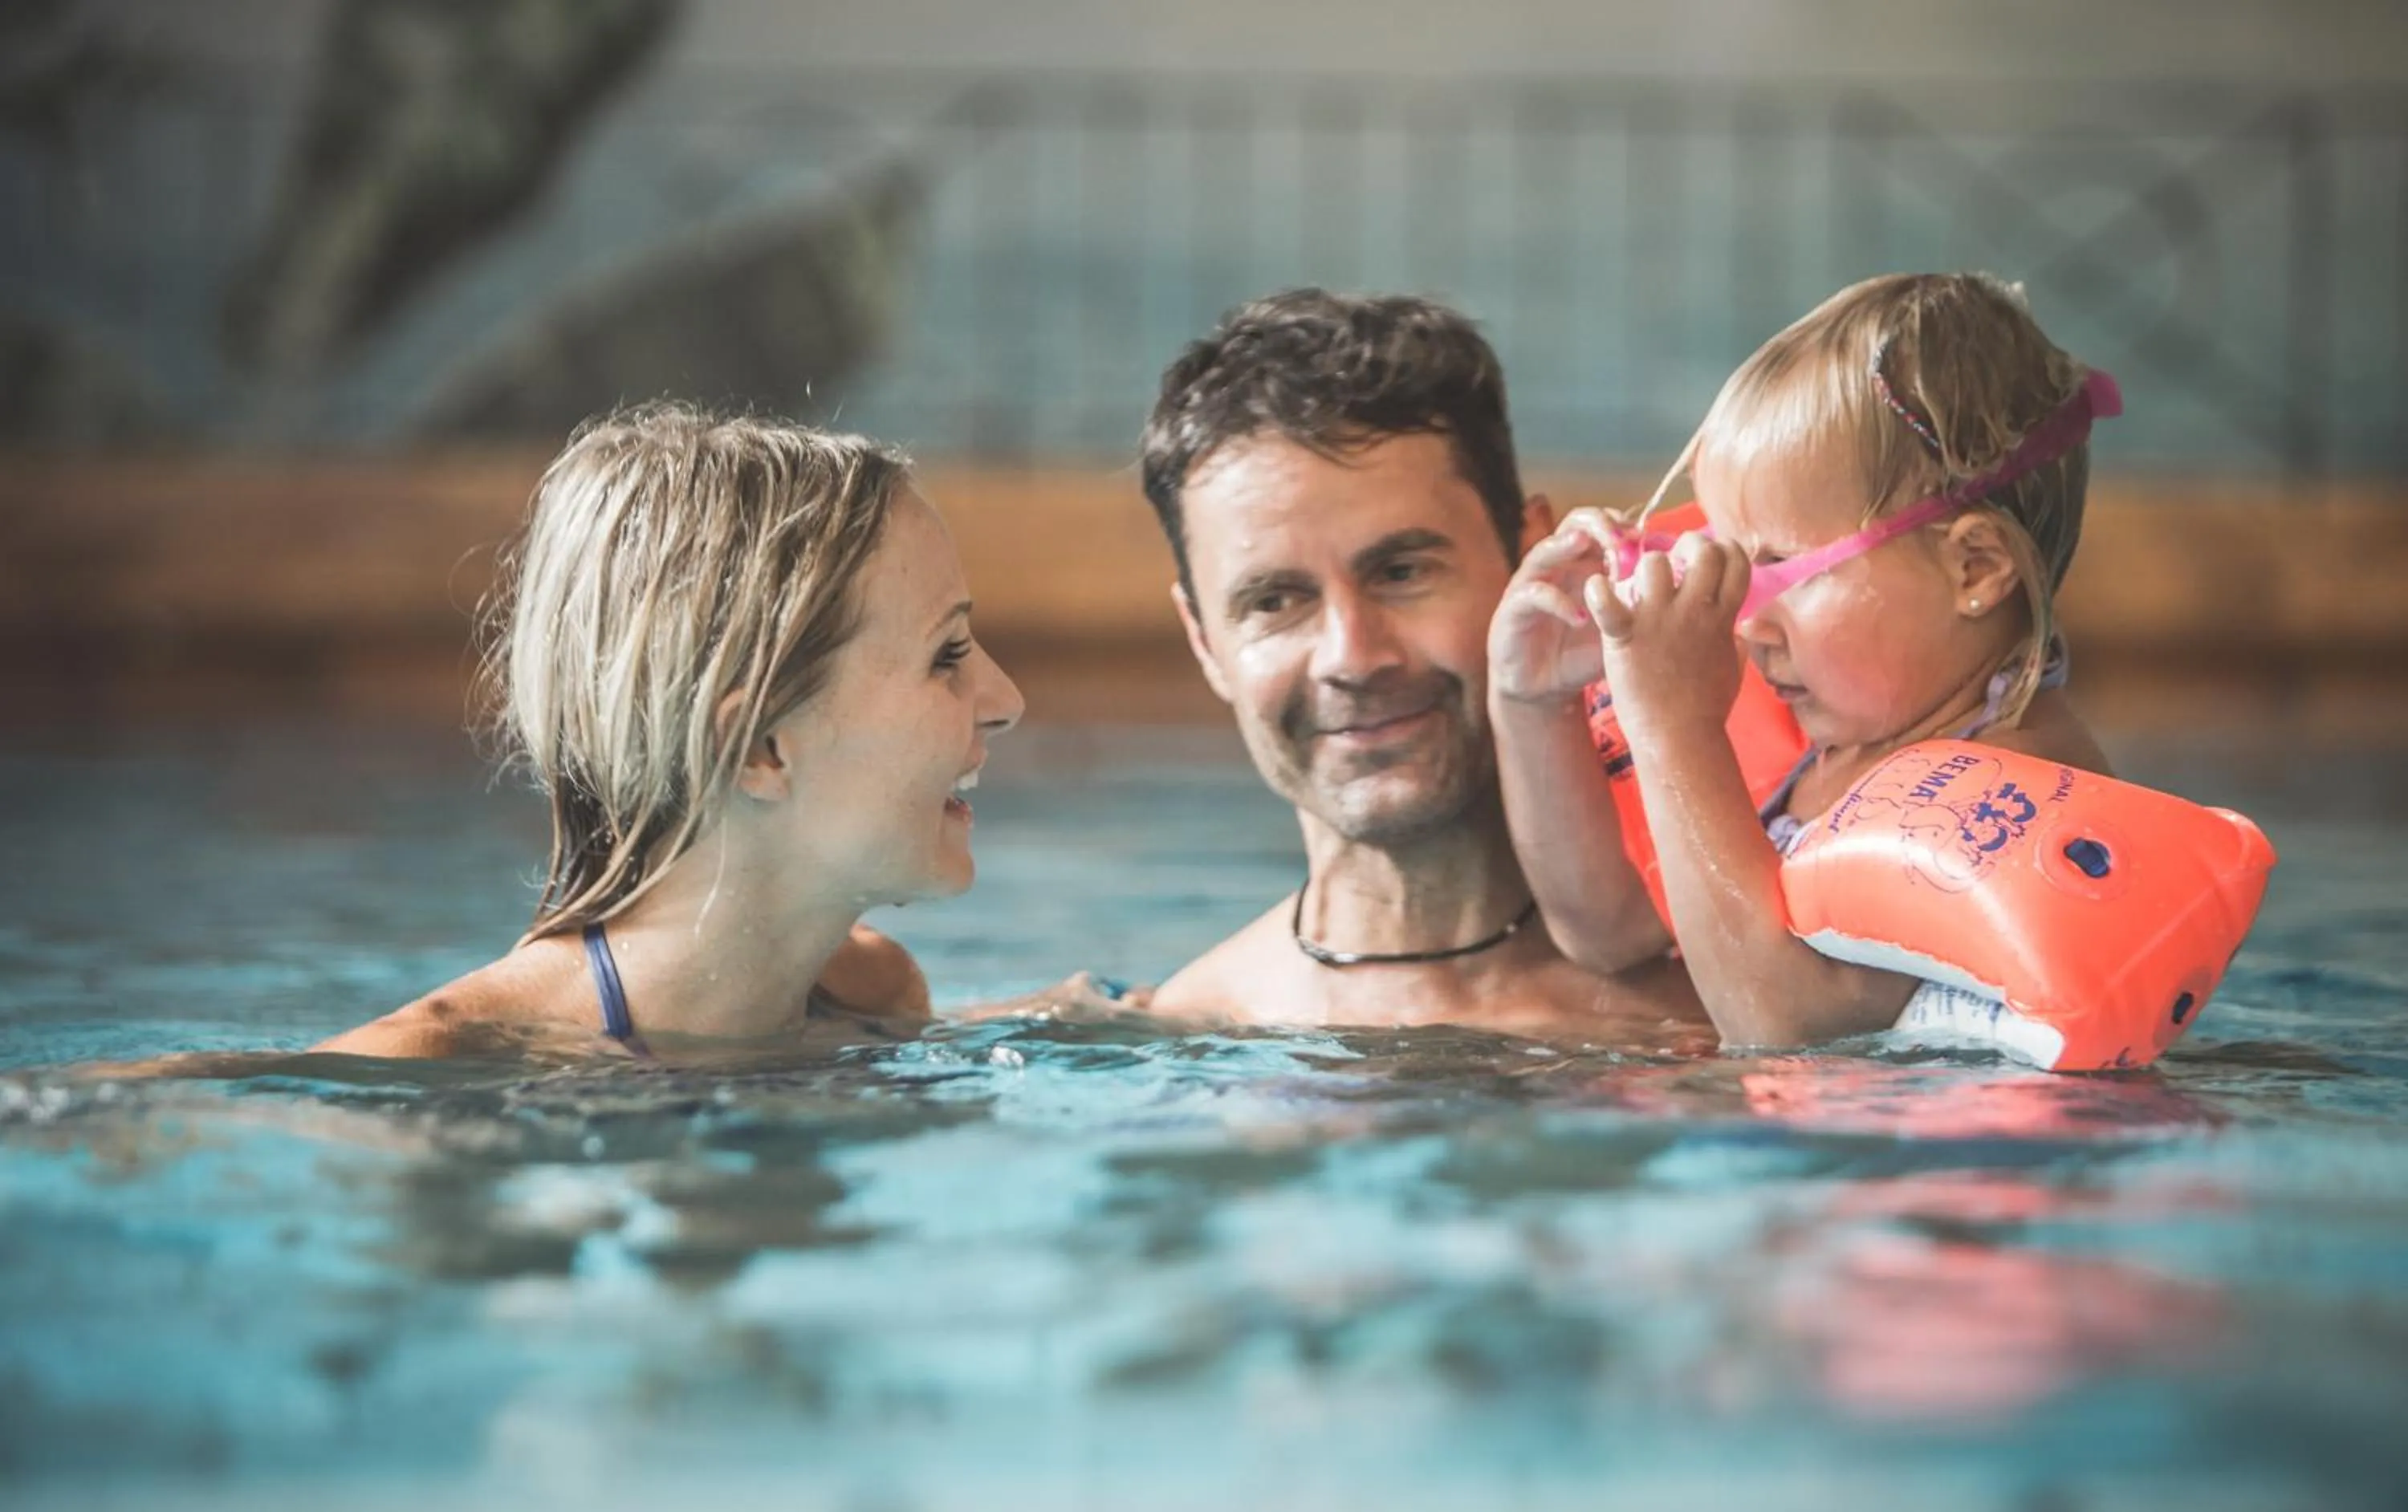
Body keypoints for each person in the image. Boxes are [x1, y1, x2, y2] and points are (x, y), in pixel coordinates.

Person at [1489, 271, 2114, 1050]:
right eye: (1732, 566)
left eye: (1784, 570)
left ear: (1975, 569)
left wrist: (1675, 727)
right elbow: (1612, 934)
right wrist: (1532, 701)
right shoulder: (1851, 747)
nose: (1748, 626)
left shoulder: (2012, 789)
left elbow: (1782, 1027)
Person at [317, 403, 1024, 1059]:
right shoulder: (433, 1072)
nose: (1006, 701)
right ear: (759, 749)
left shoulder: (875, 998)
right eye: (947, 656)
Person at [1132, 288, 1705, 1038]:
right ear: (1205, 641)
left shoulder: (1760, 992)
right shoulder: (1195, 1039)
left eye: (1401, 572)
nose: (1353, 657)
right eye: (1275, 602)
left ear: (1535, 558)